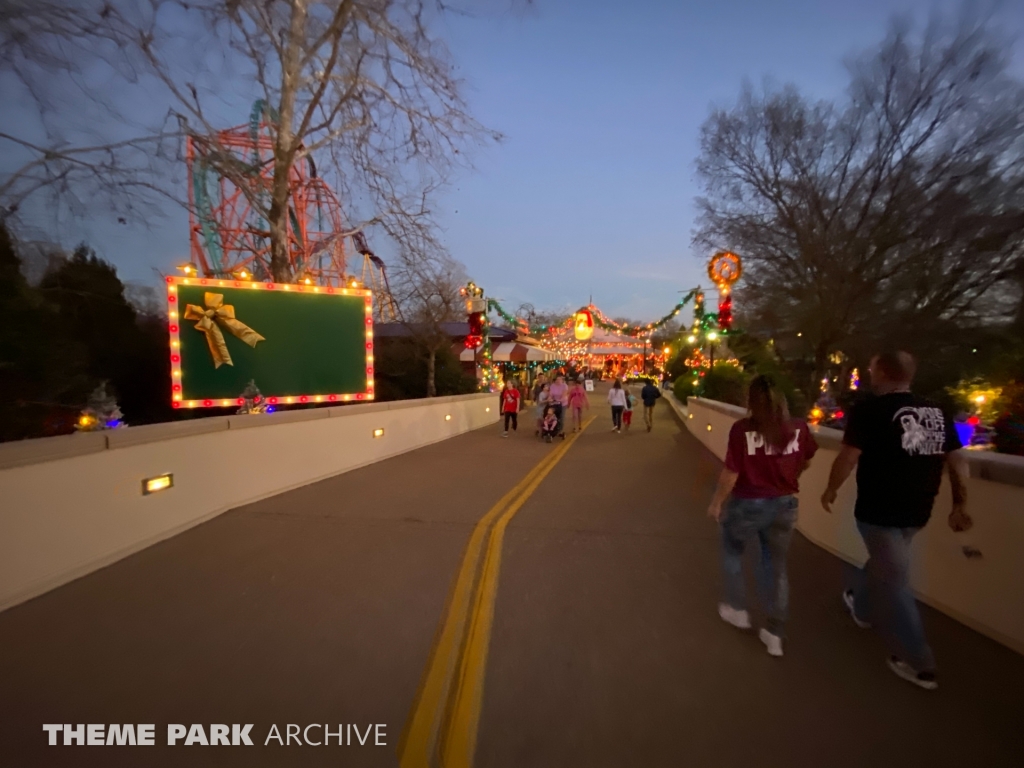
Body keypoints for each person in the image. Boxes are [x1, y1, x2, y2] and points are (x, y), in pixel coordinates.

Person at [821, 351, 971, 690]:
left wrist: (830, 489)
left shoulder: (869, 411)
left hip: (879, 511)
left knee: (896, 581)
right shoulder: (936, 412)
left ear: (883, 373)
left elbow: (848, 457)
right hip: (919, 510)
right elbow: (958, 461)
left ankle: (920, 663)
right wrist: (960, 503)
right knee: (886, 563)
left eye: (872, 368)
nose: (869, 373)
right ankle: (861, 607)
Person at [707, 375, 818, 657]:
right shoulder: (798, 428)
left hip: (748, 502)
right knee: (776, 566)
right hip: (785, 504)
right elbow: (806, 459)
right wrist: (787, 479)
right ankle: (774, 633)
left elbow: (732, 471)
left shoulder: (742, 430)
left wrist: (717, 502)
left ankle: (737, 608)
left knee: (732, 551)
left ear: (751, 401)